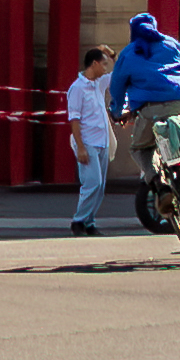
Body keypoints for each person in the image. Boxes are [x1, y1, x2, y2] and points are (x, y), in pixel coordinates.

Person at [106, 10, 180, 207]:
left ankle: (159, 184)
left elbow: (117, 87)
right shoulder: (172, 44)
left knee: (140, 148)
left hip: (150, 111)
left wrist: (117, 112)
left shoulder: (128, 53)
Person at [64, 45, 116, 235]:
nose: (105, 68)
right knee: (92, 182)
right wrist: (80, 147)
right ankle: (78, 220)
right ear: (94, 64)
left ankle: (89, 222)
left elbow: (119, 73)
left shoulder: (98, 84)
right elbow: (74, 119)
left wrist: (112, 54)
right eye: (103, 64)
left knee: (100, 186)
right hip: (88, 142)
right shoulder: (77, 88)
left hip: (102, 141)